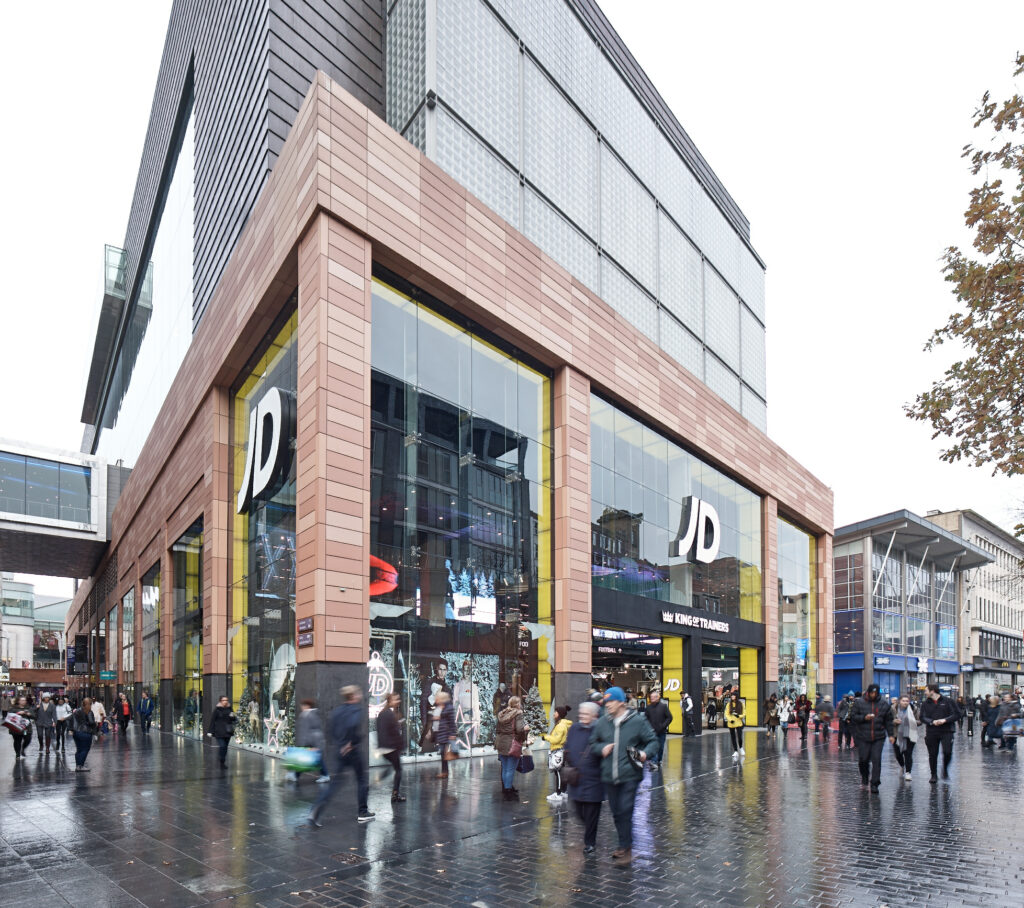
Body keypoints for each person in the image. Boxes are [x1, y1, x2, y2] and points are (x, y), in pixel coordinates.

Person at [590, 687, 658, 866]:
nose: (608, 705)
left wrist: (645, 754)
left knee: (625, 809)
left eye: (611, 701)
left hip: (630, 774)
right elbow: (593, 744)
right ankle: (624, 844)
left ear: (621, 702)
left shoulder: (637, 721)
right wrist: (601, 749)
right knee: (616, 812)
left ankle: (625, 847)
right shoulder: (602, 722)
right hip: (609, 775)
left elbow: (653, 741)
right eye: (606, 702)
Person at [309, 686, 375, 826]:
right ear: (353, 696)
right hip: (352, 750)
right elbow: (353, 726)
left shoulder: (337, 711)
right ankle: (362, 812)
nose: (360, 695)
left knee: (335, 783)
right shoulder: (357, 709)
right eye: (358, 693)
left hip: (339, 750)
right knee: (362, 779)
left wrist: (340, 744)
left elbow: (330, 729)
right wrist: (351, 743)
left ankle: (316, 809)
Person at [564, 701, 604, 854]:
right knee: (579, 812)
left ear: (594, 715)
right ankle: (589, 831)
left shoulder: (600, 730)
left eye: (586, 714)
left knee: (592, 813)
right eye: (581, 713)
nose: (582, 716)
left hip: (594, 779)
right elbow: (568, 745)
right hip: (576, 777)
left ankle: (590, 842)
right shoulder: (574, 728)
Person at [849, 683, 895, 791]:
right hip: (863, 736)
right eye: (871, 693)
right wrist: (864, 718)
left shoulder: (883, 704)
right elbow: (853, 717)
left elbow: (888, 721)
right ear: (868, 692)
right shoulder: (859, 703)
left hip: (879, 737)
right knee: (863, 759)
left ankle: (875, 783)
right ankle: (865, 776)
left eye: (875, 693)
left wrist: (891, 735)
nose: (873, 695)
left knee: (876, 759)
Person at [920, 684, 957, 783]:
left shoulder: (948, 701)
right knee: (932, 754)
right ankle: (933, 775)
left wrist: (945, 720)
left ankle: (945, 769)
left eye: (926, 690)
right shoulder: (925, 704)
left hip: (947, 730)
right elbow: (922, 717)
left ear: (932, 691)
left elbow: (957, 714)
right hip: (932, 731)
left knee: (947, 752)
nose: (925, 692)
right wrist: (932, 722)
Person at [494, 695, 529, 800]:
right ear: (517, 704)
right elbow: (519, 729)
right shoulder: (518, 714)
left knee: (505, 768)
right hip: (511, 743)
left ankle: (506, 788)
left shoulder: (502, 713)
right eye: (519, 703)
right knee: (510, 769)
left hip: (501, 742)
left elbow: (498, 729)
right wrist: (525, 729)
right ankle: (508, 791)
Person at [376, 692, 406, 802]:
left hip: (386, 747)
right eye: (396, 699)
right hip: (391, 747)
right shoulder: (388, 714)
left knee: (395, 768)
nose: (398, 701)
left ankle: (393, 791)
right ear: (390, 701)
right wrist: (400, 745)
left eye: (398, 699)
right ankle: (395, 794)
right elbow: (392, 732)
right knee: (398, 770)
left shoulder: (384, 713)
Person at [290, 698, 329, 783]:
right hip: (313, 741)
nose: (301, 707)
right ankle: (295, 775)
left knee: (312, 759)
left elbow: (306, 730)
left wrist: (303, 743)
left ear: (307, 706)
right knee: (309, 759)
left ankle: (325, 775)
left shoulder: (307, 715)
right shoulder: (312, 714)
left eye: (303, 706)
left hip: (312, 741)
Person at [542, 705, 573, 800]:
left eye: (555, 712)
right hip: (560, 750)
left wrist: (545, 737)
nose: (553, 714)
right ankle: (563, 792)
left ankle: (558, 793)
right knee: (561, 772)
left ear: (559, 714)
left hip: (557, 750)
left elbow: (556, 739)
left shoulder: (560, 726)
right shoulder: (562, 724)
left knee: (558, 772)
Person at [419, 659, 452, 746]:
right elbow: (423, 703)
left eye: (444, 670)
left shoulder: (447, 688)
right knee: (427, 750)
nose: (442, 672)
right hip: (430, 724)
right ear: (437, 669)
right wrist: (425, 725)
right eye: (440, 669)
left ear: (447, 671)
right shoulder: (430, 683)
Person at [891, 695, 920, 780]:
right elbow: (887, 720)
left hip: (910, 734)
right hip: (897, 734)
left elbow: (920, 720)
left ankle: (908, 772)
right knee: (898, 754)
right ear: (899, 701)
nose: (905, 702)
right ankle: (902, 765)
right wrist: (894, 721)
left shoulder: (913, 708)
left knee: (908, 753)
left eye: (907, 701)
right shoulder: (893, 709)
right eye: (903, 701)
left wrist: (913, 722)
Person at [643, 692, 672, 769]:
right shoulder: (648, 708)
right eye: (651, 697)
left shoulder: (663, 707)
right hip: (652, 732)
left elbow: (669, 717)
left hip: (661, 731)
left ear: (658, 697)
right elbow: (645, 719)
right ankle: (654, 761)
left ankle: (659, 760)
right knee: (653, 746)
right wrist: (648, 727)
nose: (651, 698)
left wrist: (663, 726)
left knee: (661, 747)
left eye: (653, 697)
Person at [207, 696, 236, 768]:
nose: (225, 701)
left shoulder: (229, 709)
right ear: (220, 701)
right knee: (222, 746)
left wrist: (232, 716)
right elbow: (212, 721)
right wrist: (210, 731)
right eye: (223, 700)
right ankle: (221, 759)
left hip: (227, 731)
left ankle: (222, 762)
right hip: (219, 732)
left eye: (226, 700)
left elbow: (233, 719)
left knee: (225, 747)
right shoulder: (217, 710)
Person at [433, 690, 456, 779]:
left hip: (446, 733)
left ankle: (445, 772)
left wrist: (452, 733)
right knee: (443, 753)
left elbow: (451, 721)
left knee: (444, 752)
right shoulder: (440, 707)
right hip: (441, 732)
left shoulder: (448, 708)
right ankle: (445, 772)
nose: (436, 700)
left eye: (438, 698)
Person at [70, 697, 98, 771]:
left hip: (76, 733)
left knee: (79, 749)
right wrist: (95, 724)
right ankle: (81, 765)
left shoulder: (77, 711)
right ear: (89, 704)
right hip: (86, 733)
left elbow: (71, 720)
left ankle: (78, 766)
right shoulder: (89, 711)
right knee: (85, 749)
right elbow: (91, 722)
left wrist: (71, 730)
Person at [6, 695, 34, 760]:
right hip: (16, 727)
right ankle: (17, 754)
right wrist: (18, 713)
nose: (23, 701)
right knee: (17, 741)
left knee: (27, 739)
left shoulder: (28, 708)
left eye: (24, 700)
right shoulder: (13, 708)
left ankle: (23, 749)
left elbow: (34, 716)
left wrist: (29, 714)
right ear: (18, 701)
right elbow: (9, 715)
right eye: (22, 700)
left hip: (25, 728)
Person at [725, 690, 746, 760]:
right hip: (731, 723)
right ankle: (735, 751)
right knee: (733, 737)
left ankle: (741, 747)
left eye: (733, 695)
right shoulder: (729, 704)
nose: (732, 697)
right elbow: (726, 713)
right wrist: (730, 720)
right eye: (732, 695)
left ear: (736, 696)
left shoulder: (741, 704)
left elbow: (744, 713)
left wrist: (739, 716)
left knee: (739, 737)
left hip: (738, 722)